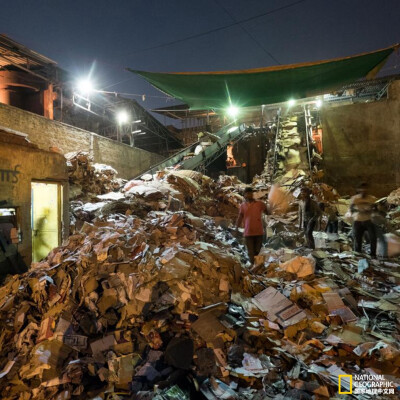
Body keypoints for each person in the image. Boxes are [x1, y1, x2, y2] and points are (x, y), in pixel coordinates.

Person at [236, 187, 267, 264]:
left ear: (252, 194)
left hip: (259, 232)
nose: (249, 195)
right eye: (247, 193)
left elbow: (267, 211)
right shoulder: (242, 206)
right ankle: (253, 268)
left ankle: (258, 266)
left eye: (250, 193)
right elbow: (240, 217)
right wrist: (236, 228)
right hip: (248, 232)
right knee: (251, 252)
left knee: (258, 251)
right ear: (244, 195)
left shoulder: (260, 204)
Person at [349, 182, 377, 257]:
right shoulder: (354, 198)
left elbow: (376, 209)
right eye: (361, 188)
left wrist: (370, 210)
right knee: (357, 239)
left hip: (368, 220)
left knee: (373, 238)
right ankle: (358, 255)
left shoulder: (372, 198)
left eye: (365, 188)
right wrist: (358, 211)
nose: (363, 190)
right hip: (358, 221)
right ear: (358, 190)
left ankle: (373, 255)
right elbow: (351, 209)